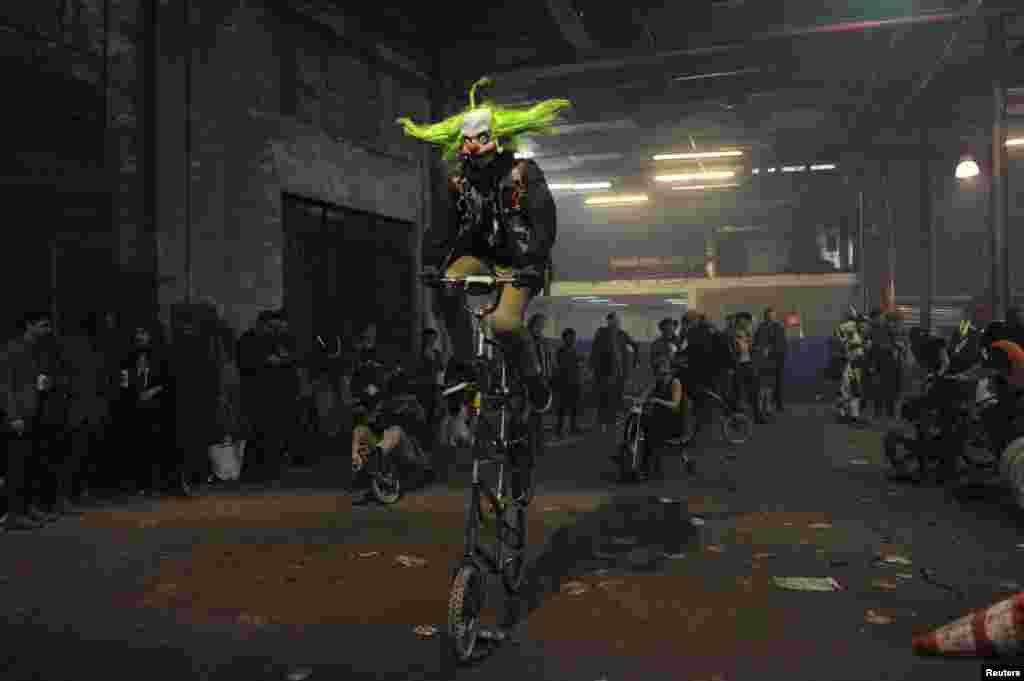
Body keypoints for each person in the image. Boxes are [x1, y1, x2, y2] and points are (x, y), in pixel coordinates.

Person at [398, 77, 570, 419]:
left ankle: (533, 379)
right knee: (448, 285)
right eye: (467, 142)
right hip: (480, 257)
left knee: (504, 323)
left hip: (520, 262)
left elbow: (543, 220)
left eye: (481, 140)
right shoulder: (458, 181)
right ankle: (464, 361)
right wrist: (431, 262)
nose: (473, 151)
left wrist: (534, 260)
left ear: (497, 140)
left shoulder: (524, 173)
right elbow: (443, 225)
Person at [349, 367, 435, 505]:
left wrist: (395, 414)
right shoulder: (382, 404)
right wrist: (369, 412)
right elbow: (370, 423)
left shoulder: (412, 402)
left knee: (395, 430)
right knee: (360, 430)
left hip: (410, 455)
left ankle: (376, 460)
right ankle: (359, 465)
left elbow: (423, 430)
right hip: (388, 456)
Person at [590, 312, 639, 434]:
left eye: (617, 321)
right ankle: (602, 421)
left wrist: (635, 361)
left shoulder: (622, 334)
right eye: (613, 321)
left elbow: (635, 345)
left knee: (616, 397)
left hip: (619, 373)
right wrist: (593, 367)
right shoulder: (601, 332)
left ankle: (612, 420)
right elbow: (595, 350)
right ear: (608, 321)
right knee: (604, 397)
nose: (616, 323)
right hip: (604, 372)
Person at [754, 307, 787, 413]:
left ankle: (778, 403)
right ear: (765, 316)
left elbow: (782, 344)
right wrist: (760, 350)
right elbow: (757, 341)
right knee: (766, 384)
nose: (770, 317)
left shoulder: (779, 327)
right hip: (764, 361)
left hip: (776, 359)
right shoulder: (761, 327)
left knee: (778, 383)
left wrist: (771, 350)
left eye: (772, 315)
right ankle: (766, 405)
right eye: (768, 316)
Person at [554, 328, 583, 436]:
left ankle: (573, 427)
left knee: (574, 406)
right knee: (562, 407)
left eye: (573, 337)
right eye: (570, 337)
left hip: (575, 381)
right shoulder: (561, 351)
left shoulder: (574, 350)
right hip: (565, 382)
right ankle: (560, 428)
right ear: (564, 338)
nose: (572, 339)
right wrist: (577, 360)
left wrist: (578, 360)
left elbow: (576, 362)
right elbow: (563, 364)